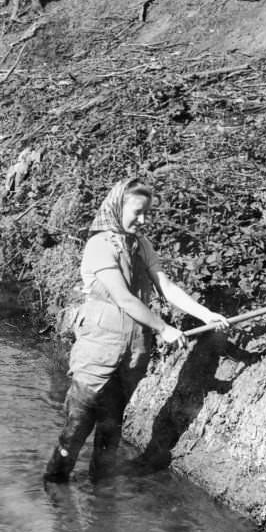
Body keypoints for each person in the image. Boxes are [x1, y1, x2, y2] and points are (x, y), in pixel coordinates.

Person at [44, 179, 229, 484]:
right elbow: (124, 298)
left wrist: (206, 314)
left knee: (110, 432)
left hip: (133, 353)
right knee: (76, 429)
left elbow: (166, 287)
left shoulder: (142, 245)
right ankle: (55, 490)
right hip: (98, 352)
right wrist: (164, 328)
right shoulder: (99, 246)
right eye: (137, 212)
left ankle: (100, 501)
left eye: (147, 213)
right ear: (118, 207)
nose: (143, 220)